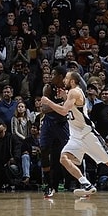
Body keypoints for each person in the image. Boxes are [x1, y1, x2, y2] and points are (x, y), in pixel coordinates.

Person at [39, 70, 108, 198]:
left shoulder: (75, 92)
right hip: (76, 137)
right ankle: (86, 184)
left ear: (72, 81)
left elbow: (63, 111)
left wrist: (48, 102)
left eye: (66, 78)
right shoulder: (71, 93)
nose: (64, 80)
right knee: (64, 159)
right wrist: (64, 96)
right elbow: (72, 109)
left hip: (88, 135)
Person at [38, 66, 70, 198]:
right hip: (49, 122)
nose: (51, 76)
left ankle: (72, 182)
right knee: (44, 150)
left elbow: (67, 109)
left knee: (68, 153)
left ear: (60, 76)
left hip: (63, 123)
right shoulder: (48, 88)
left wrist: (54, 106)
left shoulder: (69, 88)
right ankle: (48, 184)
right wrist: (60, 106)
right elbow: (44, 109)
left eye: (53, 74)